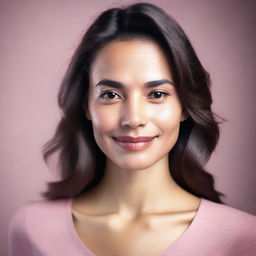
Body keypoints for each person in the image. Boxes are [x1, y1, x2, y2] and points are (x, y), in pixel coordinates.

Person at [8, 2, 256, 256]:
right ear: (86, 105)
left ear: (185, 106)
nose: (133, 118)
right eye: (111, 95)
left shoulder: (242, 237)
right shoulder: (31, 229)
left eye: (157, 94)